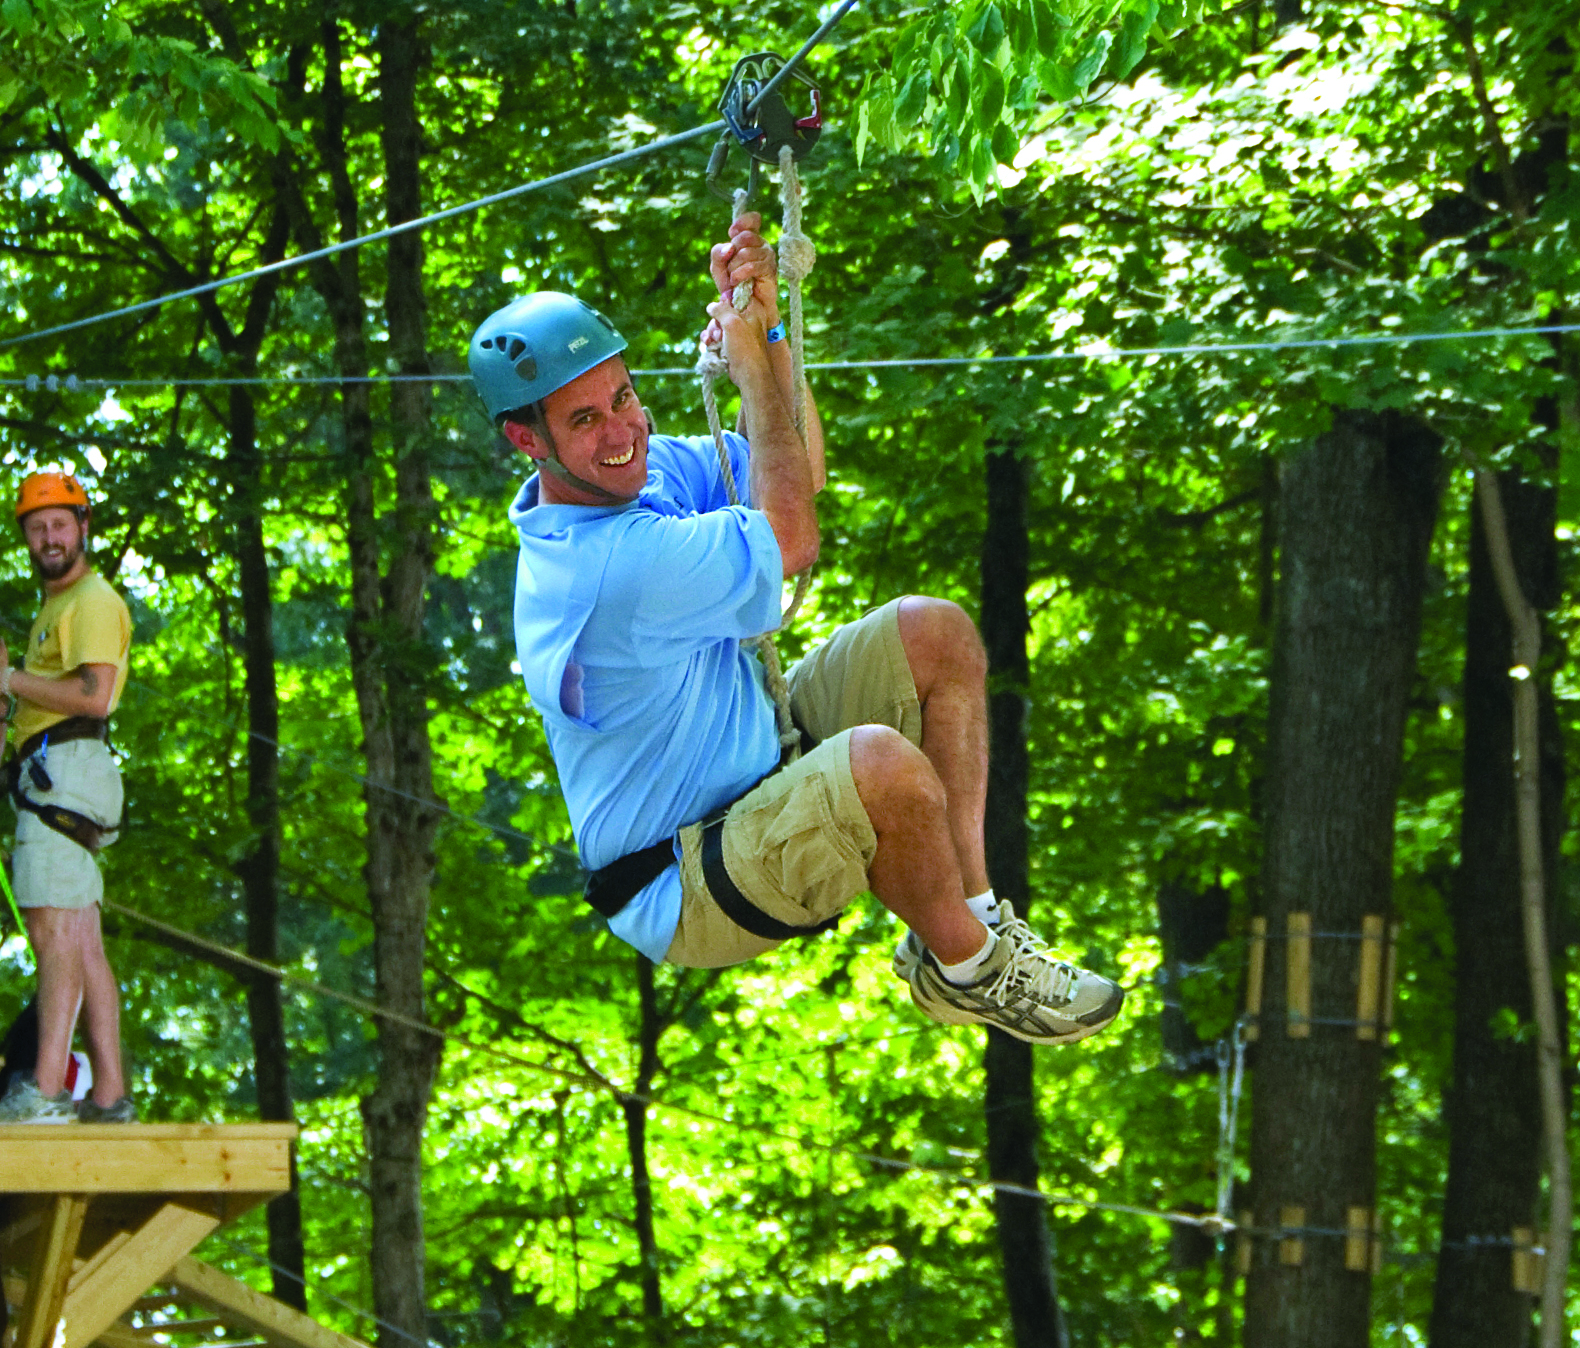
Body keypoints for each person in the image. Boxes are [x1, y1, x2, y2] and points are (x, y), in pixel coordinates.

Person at [474, 216, 1124, 1045]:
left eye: (623, 396)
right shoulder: (604, 570)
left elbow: (796, 469)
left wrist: (770, 333)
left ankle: (971, 917)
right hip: (685, 876)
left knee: (935, 633)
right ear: (526, 440)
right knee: (879, 767)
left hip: (754, 759)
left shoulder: (639, 478)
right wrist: (748, 368)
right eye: (584, 420)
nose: (622, 430)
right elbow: (792, 537)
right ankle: (975, 969)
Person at [0, 470, 135, 1122]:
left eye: (60, 523)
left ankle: (45, 1090)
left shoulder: (89, 600)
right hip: (64, 772)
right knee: (83, 942)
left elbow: (95, 694)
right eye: (37, 528)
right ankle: (109, 1094)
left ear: (84, 526)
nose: (49, 537)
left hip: (65, 771)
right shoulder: (57, 609)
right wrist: (9, 696)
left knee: (54, 931)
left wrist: (8, 680)